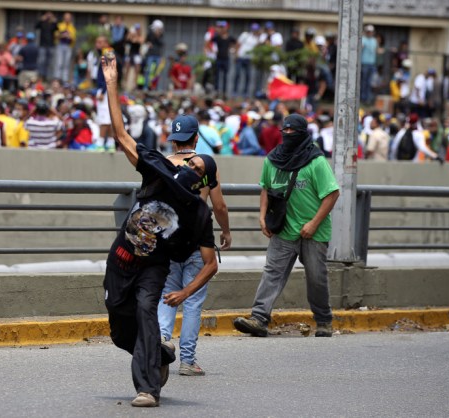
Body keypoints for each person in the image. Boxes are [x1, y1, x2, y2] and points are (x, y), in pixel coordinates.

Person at [101, 53, 218, 408]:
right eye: (188, 159)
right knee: (121, 330)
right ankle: (160, 357)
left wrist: (184, 293)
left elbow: (211, 264)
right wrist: (111, 83)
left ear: (203, 179)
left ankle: (148, 388)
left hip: (154, 270)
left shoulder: (198, 212)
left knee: (146, 314)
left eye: (196, 165)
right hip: (121, 261)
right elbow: (121, 135)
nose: (188, 164)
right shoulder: (157, 170)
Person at [233, 113, 340, 338]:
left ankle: (323, 320)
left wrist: (313, 223)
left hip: (313, 232)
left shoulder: (316, 161)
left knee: (316, 278)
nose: (288, 135)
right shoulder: (272, 160)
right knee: (272, 273)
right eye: (286, 131)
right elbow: (266, 189)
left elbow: (332, 194)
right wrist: (262, 217)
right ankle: (259, 318)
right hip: (284, 228)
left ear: (303, 134)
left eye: (293, 132)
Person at [157, 114, 231, 377]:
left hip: (169, 238)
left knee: (167, 294)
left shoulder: (163, 164)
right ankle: (188, 361)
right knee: (193, 302)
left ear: (173, 140)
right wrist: (226, 231)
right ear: (197, 137)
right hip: (200, 242)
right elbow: (219, 205)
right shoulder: (204, 165)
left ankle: (163, 340)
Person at [35, 11, 57, 82]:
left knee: (50, 62)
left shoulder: (52, 24)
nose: (48, 16)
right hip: (43, 45)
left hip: (51, 45)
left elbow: (57, 29)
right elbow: (36, 26)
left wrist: (54, 21)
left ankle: (48, 77)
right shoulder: (42, 22)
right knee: (41, 61)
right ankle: (41, 76)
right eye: (47, 15)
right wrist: (41, 20)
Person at [55, 12, 76, 83]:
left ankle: (65, 80)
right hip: (60, 45)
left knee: (66, 63)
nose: (67, 19)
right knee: (59, 62)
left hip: (68, 46)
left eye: (69, 17)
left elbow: (74, 38)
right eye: (66, 17)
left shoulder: (72, 27)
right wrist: (62, 35)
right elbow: (56, 35)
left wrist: (69, 36)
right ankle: (58, 78)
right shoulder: (60, 25)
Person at [360, 25, 378, 105]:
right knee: (363, 81)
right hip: (364, 63)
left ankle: (368, 99)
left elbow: (376, 50)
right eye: (368, 31)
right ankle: (363, 98)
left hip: (372, 63)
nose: (369, 33)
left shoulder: (374, 40)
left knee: (370, 82)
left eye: (370, 31)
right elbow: (361, 47)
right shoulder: (363, 39)